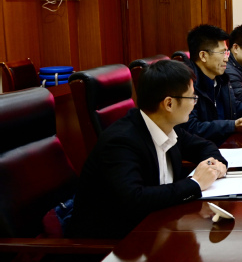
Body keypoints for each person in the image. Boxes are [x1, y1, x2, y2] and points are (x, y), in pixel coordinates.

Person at [68, 60, 228, 239]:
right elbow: (135, 199)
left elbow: (204, 146)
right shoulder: (121, 141)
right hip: (116, 242)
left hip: (160, 226)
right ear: (169, 104)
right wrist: (195, 183)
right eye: (192, 98)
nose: (194, 103)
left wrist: (214, 165)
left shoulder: (168, 126)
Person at [181, 24, 242, 145]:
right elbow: (192, 127)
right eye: (223, 53)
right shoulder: (186, 85)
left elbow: (236, 107)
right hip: (205, 149)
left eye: (227, 52)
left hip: (227, 144)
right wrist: (232, 126)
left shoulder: (221, 79)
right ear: (203, 56)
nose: (227, 58)